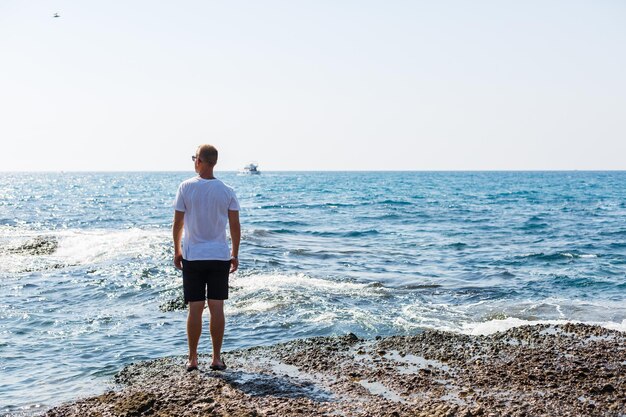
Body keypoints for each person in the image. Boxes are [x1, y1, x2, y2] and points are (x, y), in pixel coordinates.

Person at [172, 144, 240, 372]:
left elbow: (178, 223)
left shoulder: (186, 187)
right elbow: (235, 226)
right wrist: (235, 253)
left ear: (199, 161)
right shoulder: (227, 190)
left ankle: (192, 359)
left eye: (194, 157)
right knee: (217, 307)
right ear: (215, 162)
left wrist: (176, 250)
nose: (194, 161)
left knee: (195, 308)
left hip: (194, 256)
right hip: (219, 256)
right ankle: (216, 358)